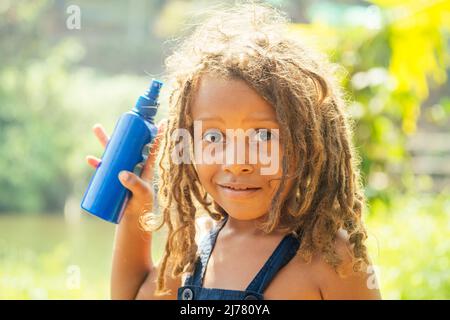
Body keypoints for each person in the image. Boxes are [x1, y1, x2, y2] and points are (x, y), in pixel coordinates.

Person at [86, 2, 381, 300]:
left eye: (263, 135)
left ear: (308, 142)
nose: (236, 162)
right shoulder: (196, 247)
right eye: (213, 136)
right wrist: (136, 210)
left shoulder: (331, 258)